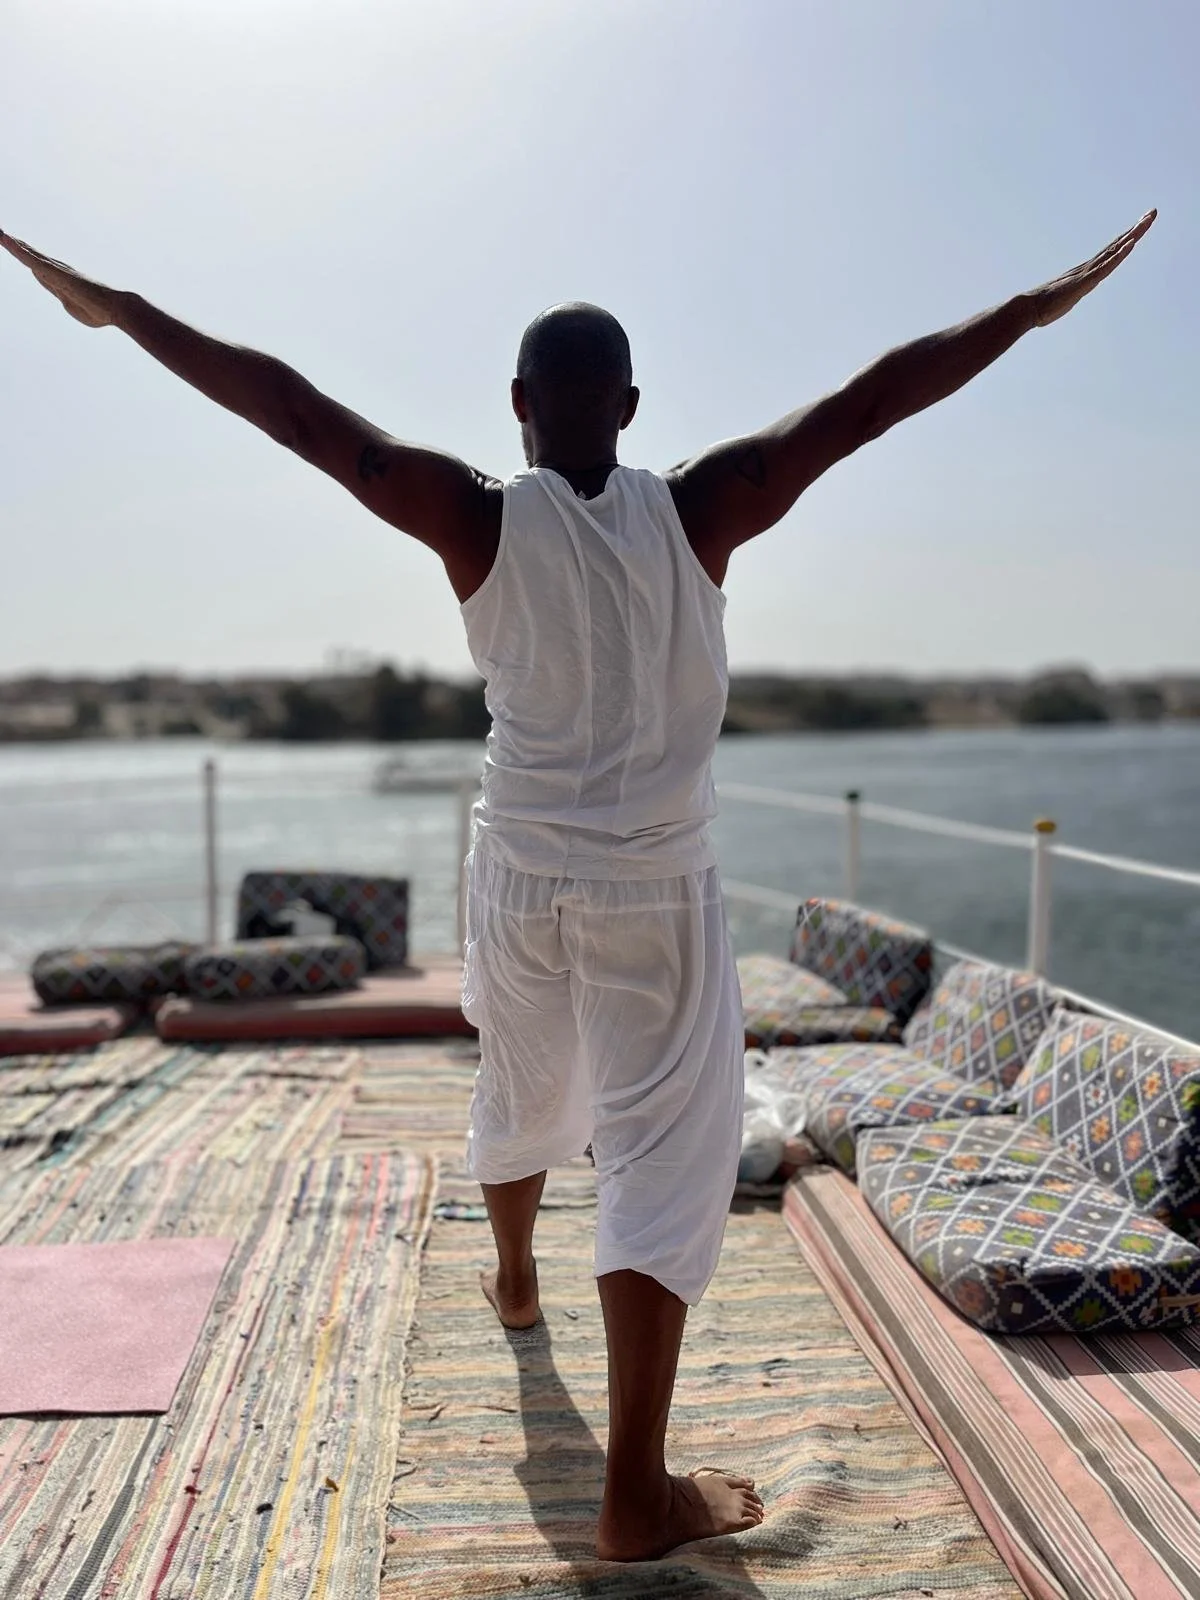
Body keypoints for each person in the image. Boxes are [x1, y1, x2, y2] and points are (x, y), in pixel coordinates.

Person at [1, 209, 1155, 1561]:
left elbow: (295, 415)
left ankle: (511, 1275)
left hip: (517, 879)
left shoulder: (473, 515)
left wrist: (123, 311)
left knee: (521, 1081)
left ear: (518, 405)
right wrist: (1026, 311)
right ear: (630, 406)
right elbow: (871, 404)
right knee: (659, 1162)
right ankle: (634, 1495)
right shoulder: (709, 505)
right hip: (656, 897)